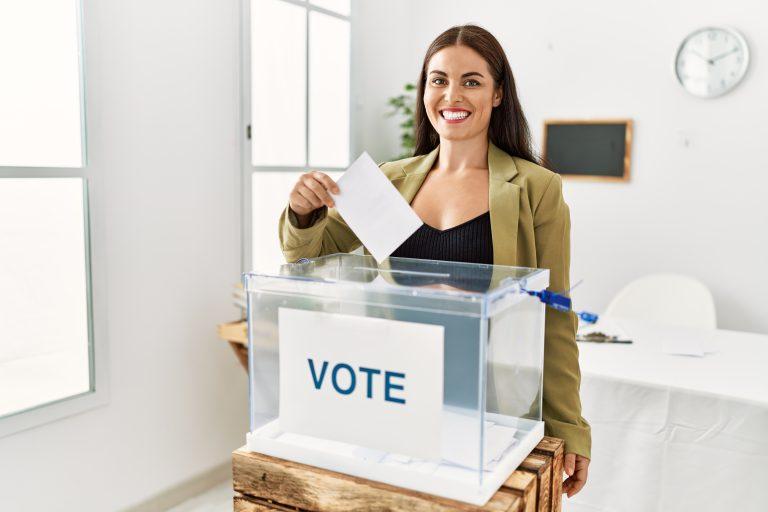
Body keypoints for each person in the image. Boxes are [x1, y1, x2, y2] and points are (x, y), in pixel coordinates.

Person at [279, 24, 591, 497]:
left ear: (499, 93)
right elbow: (310, 256)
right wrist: (303, 211)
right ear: (425, 89)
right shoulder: (389, 181)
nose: (452, 94)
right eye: (438, 79)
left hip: (490, 407)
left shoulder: (536, 189)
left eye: (472, 80)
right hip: (393, 394)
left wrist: (568, 426)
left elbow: (555, 314)